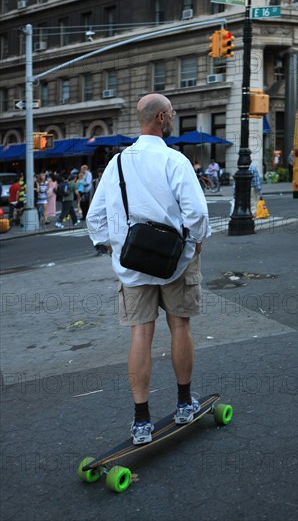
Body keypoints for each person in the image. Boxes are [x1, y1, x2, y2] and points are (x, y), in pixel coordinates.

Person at [87, 93, 210, 446]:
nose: (172, 118)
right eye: (170, 113)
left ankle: (141, 421)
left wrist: (116, 246)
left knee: (140, 335)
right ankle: (184, 403)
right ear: (160, 118)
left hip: (132, 265)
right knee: (179, 325)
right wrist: (197, 242)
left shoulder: (117, 164)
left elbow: (94, 219)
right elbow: (197, 215)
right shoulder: (175, 161)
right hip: (176, 260)